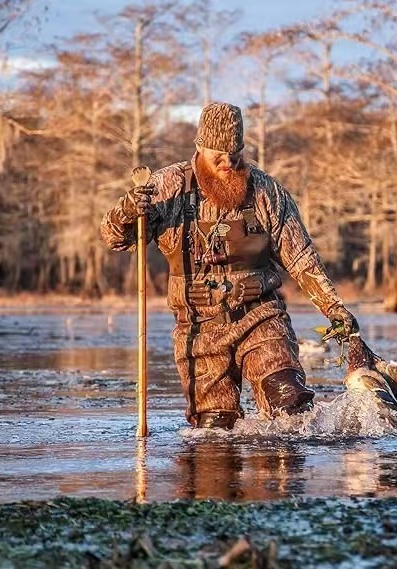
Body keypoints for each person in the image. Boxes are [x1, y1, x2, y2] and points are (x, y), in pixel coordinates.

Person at [101, 102, 359, 429]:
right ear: (199, 148)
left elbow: (301, 257)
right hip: (198, 328)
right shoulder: (166, 188)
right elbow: (114, 237)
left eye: (235, 154)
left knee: (290, 407)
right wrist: (126, 211)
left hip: (261, 318)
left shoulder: (267, 192)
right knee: (214, 436)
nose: (227, 163)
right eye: (218, 156)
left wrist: (334, 308)